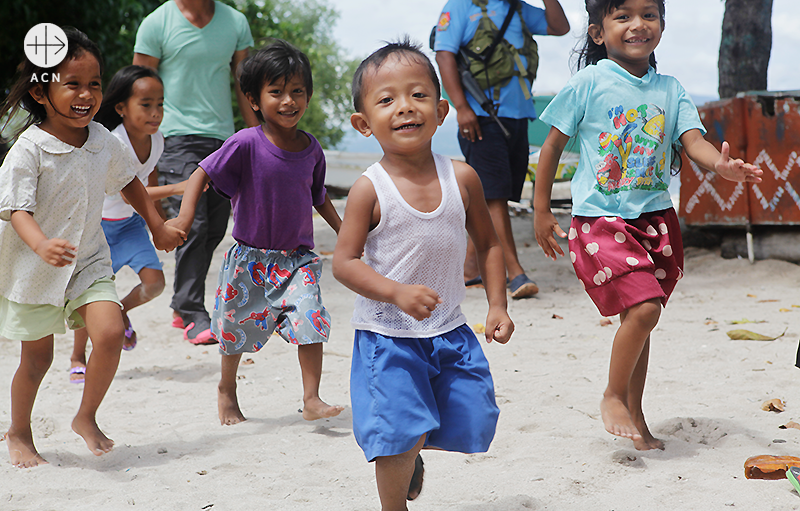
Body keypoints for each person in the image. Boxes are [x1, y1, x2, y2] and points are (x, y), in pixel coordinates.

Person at [533, 0, 763, 450]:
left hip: (656, 220)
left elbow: (692, 142)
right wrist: (542, 210)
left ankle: (636, 420)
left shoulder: (671, 89)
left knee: (640, 318)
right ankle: (613, 396)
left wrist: (722, 165)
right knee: (644, 309)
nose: (638, 25)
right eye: (623, 16)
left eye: (649, 15)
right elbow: (552, 146)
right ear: (599, 33)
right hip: (601, 220)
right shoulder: (589, 82)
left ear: (661, 24)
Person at [333, 39, 514, 510]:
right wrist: (394, 292)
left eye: (417, 95)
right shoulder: (369, 189)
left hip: (449, 330)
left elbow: (489, 243)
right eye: (386, 99)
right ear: (363, 123)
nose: (405, 108)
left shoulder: (463, 177)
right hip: (387, 335)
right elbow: (344, 263)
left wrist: (498, 303)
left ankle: (412, 452)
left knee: (475, 416)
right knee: (395, 432)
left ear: (441, 109)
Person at [0, 28, 185, 468]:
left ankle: (85, 416)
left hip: (88, 262)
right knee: (37, 359)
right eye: (73, 84)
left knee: (109, 332)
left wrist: (157, 226)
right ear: (43, 92)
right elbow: (16, 210)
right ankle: (19, 430)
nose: (86, 94)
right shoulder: (29, 149)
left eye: (95, 83)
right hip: (35, 269)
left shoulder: (103, 139)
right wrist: (42, 244)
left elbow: (129, 182)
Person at [167, 39, 344, 425]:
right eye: (276, 92)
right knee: (234, 331)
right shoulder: (246, 143)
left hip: (297, 260)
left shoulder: (312, 150)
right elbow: (201, 173)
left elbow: (319, 196)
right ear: (253, 99)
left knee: (311, 319)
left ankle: (311, 398)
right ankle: (227, 389)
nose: (288, 101)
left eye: (297, 91)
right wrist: (183, 219)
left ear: (309, 96)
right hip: (250, 261)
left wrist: (347, 234)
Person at [133, 0, 260, 344]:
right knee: (195, 222)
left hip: (221, 137)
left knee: (216, 225)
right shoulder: (156, 24)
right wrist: (137, 142)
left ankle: (181, 306)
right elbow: (138, 85)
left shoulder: (235, 22)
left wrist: (259, 138)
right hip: (174, 136)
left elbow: (244, 84)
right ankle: (191, 310)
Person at [434, 0, 570, 298]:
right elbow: (444, 56)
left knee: (500, 193)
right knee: (494, 197)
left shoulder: (519, 9)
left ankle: (470, 269)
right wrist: (462, 108)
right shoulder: (460, 7)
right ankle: (515, 273)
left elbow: (560, 27)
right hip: (481, 117)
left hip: (518, 115)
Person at [69, 65, 191, 382]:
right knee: (90, 298)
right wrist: (180, 187)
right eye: (146, 104)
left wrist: (158, 222)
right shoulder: (113, 142)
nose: (155, 113)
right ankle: (76, 356)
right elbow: (127, 193)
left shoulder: (158, 140)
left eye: (160, 104)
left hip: (130, 226)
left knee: (155, 284)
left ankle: (120, 313)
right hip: (98, 229)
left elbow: (147, 181)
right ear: (121, 107)